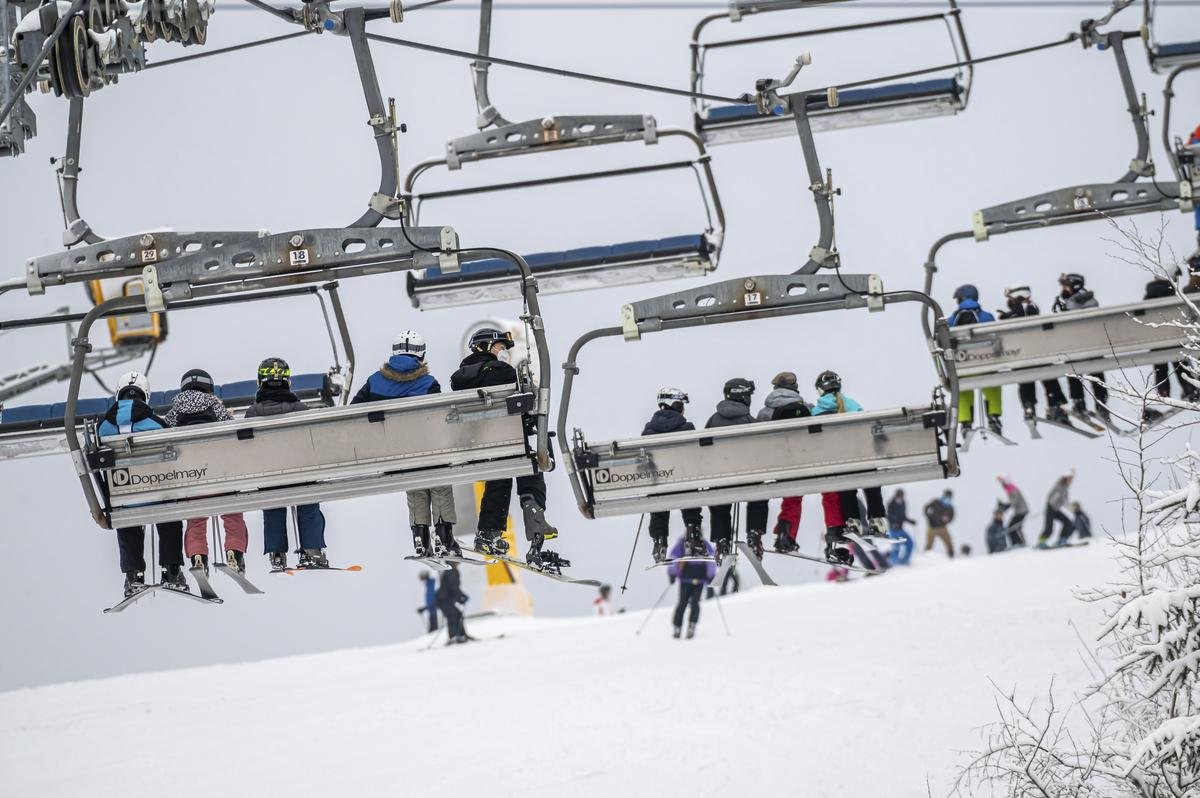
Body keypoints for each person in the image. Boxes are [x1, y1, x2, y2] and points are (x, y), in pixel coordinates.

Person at [450, 328, 562, 570]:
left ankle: (489, 532)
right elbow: (524, 402)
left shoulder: (458, 378)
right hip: (506, 441)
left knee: (500, 474)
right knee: (528, 460)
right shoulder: (502, 372)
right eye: (501, 348)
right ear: (486, 347)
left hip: (473, 445)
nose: (505, 353)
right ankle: (533, 513)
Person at [351, 330, 459, 558]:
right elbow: (439, 418)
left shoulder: (374, 381)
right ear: (421, 355)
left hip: (396, 451)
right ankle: (443, 538)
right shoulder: (428, 383)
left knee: (416, 488)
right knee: (439, 484)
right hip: (428, 446)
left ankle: (420, 539)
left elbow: (354, 410)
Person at [99, 372, 187, 596]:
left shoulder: (103, 428)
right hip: (158, 493)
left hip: (124, 494)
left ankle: (133, 574)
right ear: (145, 396)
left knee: (125, 513)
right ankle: (171, 569)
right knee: (170, 514)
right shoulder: (156, 424)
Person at [163, 368, 249, 575]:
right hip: (220, 474)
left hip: (192, 477)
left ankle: (198, 555)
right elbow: (231, 429)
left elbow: (164, 434)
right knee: (233, 514)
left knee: (196, 519)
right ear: (209, 387)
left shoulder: (174, 412)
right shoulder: (215, 406)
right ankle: (234, 552)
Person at [246, 357, 329, 570]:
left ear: (260, 382)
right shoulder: (299, 408)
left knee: (273, 506)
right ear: (287, 381)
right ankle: (313, 550)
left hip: (269, 473)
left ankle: (276, 553)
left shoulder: (253, 412)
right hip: (299, 469)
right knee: (308, 503)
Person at [810, 370, 887, 565]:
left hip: (840, 462)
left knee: (846, 488)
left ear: (820, 390)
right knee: (871, 483)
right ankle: (877, 518)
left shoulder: (816, 411)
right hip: (862, 457)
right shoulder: (853, 405)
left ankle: (853, 521)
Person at [704, 378, 769, 558]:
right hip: (747, 477)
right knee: (759, 494)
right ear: (743, 396)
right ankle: (754, 534)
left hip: (720, 478)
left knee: (719, 502)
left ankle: (721, 541)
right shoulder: (750, 421)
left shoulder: (713, 420)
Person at [641, 387, 704, 562]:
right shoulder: (687, 428)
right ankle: (693, 538)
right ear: (677, 406)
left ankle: (659, 544)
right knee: (690, 490)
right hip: (683, 482)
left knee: (657, 501)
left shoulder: (647, 432)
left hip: (658, 483)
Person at [997, 285, 1071, 424]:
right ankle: (1052, 404)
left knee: (1030, 379)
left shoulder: (1026, 306)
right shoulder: (1029, 306)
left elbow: (1019, 315)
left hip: (1028, 352)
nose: (1010, 301)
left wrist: (1005, 317)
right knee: (1045, 378)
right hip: (1035, 351)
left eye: (1011, 298)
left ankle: (1034, 405)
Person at [761, 372, 811, 554]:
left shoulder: (766, 411)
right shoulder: (805, 407)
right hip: (799, 462)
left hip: (773, 463)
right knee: (794, 497)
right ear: (795, 387)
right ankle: (786, 535)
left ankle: (771, 534)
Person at [1143, 269, 1199, 425]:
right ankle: (1190, 389)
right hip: (1174, 338)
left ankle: (1163, 395)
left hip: (1155, 341)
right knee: (1180, 363)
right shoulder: (1171, 294)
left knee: (1160, 367)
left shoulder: (1148, 296)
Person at [1052, 274, 1110, 422]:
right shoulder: (1068, 300)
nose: (1063, 288)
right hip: (1075, 345)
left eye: (1066, 285)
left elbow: (1077, 311)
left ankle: (1101, 404)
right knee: (1074, 373)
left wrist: (1064, 305)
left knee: (1095, 372)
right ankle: (1080, 403)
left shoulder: (1086, 298)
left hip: (1088, 343)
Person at [949, 284, 1003, 435]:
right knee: (993, 385)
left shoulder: (952, 319)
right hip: (986, 364)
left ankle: (965, 422)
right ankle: (994, 416)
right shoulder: (987, 316)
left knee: (962, 389)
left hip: (963, 365)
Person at [667, 535, 717, 639]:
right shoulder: (702, 543)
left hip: (688, 579)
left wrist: (672, 574)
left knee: (685, 603)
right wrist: (710, 576)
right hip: (697, 579)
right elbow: (711, 559)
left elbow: (673, 557)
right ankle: (687, 626)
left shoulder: (683, 542)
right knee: (692, 603)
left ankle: (681, 627)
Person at [1038, 473, 1075, 548]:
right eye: (1070, 479)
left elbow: (1065, 502)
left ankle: (1061, 539)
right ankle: (1041, 542)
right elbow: (1049, 497)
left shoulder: (1065, 489)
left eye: (1071, 479)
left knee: (1069, 524)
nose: (1071, 481)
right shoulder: (1059, 486)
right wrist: (1053, 500)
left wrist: (1072, 509)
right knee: (1049, 528)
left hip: (1056, 510)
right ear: (1065, 479)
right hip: (1050, 509)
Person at [435, 563, 470, 644]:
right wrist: (461, 597)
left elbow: (454, 588)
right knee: (452, 615)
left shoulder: (451, 570)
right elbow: (453, 587)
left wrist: (462, 596)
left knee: (457, 614)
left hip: (446, 599)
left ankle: (461, 635)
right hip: (443, 599)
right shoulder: (451, 571)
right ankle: (454, 637)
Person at [996, 475, 1028, 547]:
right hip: (1020, 511)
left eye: (1002, 482)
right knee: (1014, 527)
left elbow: (1014, 501)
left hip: (1021, 511)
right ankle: (1019, 543)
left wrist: (1005, 506)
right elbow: (1012, 502)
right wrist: (1004, 506)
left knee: (1011, 527)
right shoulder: (1009, 489)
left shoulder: (1012, 488)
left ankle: (1018, 543)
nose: (1002, 484)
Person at [886, 488, 915, 565]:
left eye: (901, 496)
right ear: (896, 496)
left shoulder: (903, 503)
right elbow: (888, 517)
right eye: (898, 496)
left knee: (910, 543)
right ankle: (893, 564)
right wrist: (893, 524)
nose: (900, 498)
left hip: (901, 530)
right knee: (896, 547)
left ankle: (905, 561)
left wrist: (910, 521)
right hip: (894, 530)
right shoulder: (891, 504)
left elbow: (903, 516)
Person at [922, 490, 955, 558]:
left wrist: (947, 520)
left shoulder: (950, 507)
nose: (948, 498)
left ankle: (951, 557)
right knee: (929, 544)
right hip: (932, 527)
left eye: (949, 497)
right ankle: (924, 557)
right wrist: (928, 516)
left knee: (949, 542)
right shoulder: (936, 502)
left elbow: (951, 517)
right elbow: (926, 507)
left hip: (942, 528)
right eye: (946, 496)